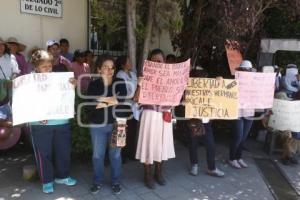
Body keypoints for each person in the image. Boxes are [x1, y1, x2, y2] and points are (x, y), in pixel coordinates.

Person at [29, 50, 77, 194]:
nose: (48, 69)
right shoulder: (28, 81)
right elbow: (25, 102)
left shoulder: (59, 79)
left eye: (49, 66)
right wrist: (36, 115)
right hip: (40, 124)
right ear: (36, 66)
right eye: (44, 66)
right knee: (44, 154)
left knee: (63, 151)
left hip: (61, 121)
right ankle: (47, 181)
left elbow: (66, 96)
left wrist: (72, 86)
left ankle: (63, 176)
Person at [134, 49, 175, 189]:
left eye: (160, 61)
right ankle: (148, 175)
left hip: (164, 116)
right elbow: (136, 99)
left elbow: (177, 98)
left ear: (164, 62)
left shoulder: (171, 78)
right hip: (150, 115)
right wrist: (140, 84)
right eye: (154, 60)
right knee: (148, 145)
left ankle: (159, 173)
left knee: (162, 145)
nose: (157, 63)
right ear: (149, 62)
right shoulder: (145, 77)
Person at [86, 55, 127, 195]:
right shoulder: (94, 84)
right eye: (105, 67)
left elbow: (121, 99)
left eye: (112, 67)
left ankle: (116, 182)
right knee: (97, 155)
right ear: (99, 69)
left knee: (115, 155)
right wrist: (112, 99)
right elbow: (91, 104)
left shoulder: (120, 82)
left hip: (118, 124)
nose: (109, 70)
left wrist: (101, 100)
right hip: (98, 125)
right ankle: (97, 182)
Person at [187, 70, 225, 177]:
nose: (204, 79)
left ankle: (211, 168)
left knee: (211, 145)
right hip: (194, 121)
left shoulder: (210, 88)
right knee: (193, 144)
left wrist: (220, 81)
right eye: (202, 77)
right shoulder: (190, 88)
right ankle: (194, 165)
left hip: (206, 121)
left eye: (205, 78)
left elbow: (221, 93)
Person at [229, 60, 255, 169]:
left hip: (249, 111)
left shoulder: (255, 81)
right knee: (238, 136)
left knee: (243, 137)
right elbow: (226, 88)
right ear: (240, 70)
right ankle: (232, 158)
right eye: (244, 69)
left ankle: (239, 157)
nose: (246, 71)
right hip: (237, 111)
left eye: (248, 70)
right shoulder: (235, 80)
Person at [116, 55, 139, 162]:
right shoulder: (120, 74)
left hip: (133, 106)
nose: (130, 62)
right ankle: (121, 154)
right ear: (123, 64)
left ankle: (130, 152)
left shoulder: (133, 74)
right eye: (128, 61)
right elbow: (124, 91)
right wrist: (134, 96)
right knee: (122, 130)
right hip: (123, 106)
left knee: (132, 130)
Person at [0, 37, 19, 127]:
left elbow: (16, 71)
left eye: (1, 45)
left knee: (11, 112)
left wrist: (11, 79)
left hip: (10, 88)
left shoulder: (11, 57)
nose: (0, 47)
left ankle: (15, 136)